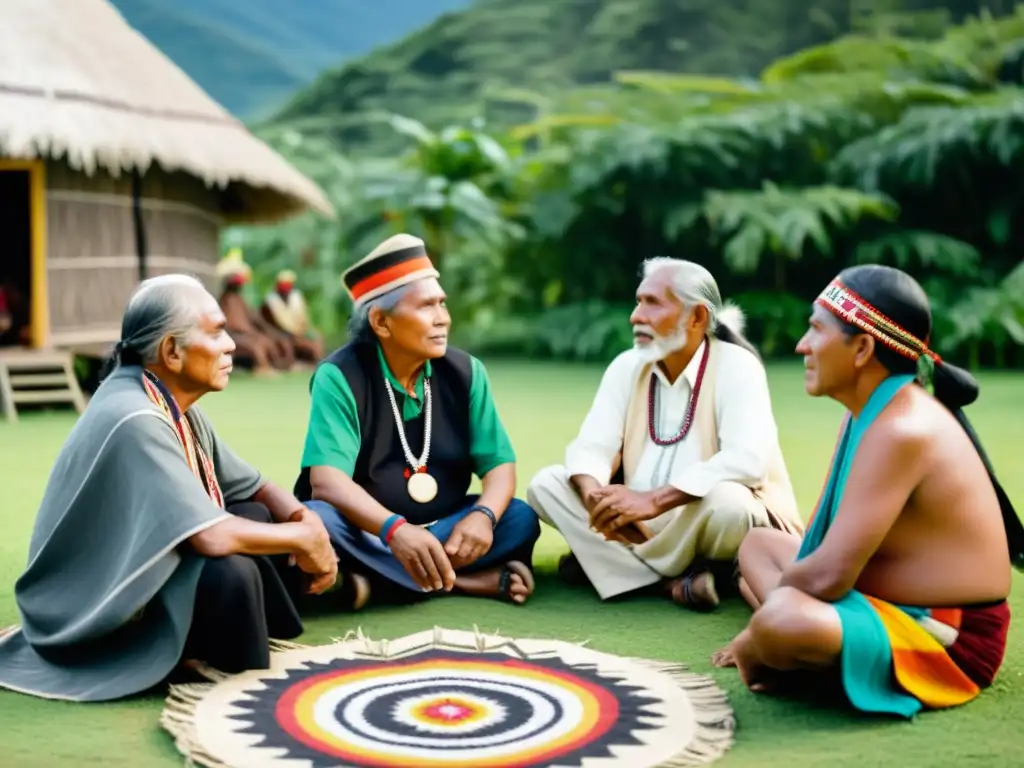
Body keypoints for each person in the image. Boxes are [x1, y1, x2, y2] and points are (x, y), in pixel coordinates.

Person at [0, 274, 339, 702]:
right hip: (88, 602)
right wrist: (304, 537)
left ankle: (209, 641)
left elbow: (256, 488)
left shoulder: (168, 401)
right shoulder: (135, 417)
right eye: (216, 333)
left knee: (257, 518)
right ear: (171, 351)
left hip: (131, 567)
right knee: (228, 571)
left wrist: (304, 521)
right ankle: (182, 651)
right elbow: (212, 536)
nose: (232, 345)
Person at [714, 264, 1024, 718]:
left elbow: (827, 576)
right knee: (759, 544)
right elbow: (823, 556)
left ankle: (800, 645)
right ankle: (812, 641)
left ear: (861, 348)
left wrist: (759, 632)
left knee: (782, 622)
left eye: (815, 330)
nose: (802, 345)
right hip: (879, 597)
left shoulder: (902, 428)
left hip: (949, 637)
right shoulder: (870, 409)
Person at [528, 258, 803, 612]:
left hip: (697, 517)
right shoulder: (627, 366)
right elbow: (592, 446)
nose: (635, 316)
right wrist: (596, 497)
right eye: (638, 301)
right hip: (633, 520)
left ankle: (617, 567)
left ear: (697, 317)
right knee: (545, 485)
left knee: (731, 506)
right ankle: (676, 580)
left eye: (652, 303)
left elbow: (746, 462)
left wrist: (654, 501)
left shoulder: (738, 367)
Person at [295, 233, 541, 607]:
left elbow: (500, 465)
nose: (443, 318)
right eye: (427, 307)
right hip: (370, 532)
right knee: (316, 521)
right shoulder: (340, 375)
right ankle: (465, 582)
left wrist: (484, 517)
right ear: (381, 322)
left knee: (519, 517)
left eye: (442, 304)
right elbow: (327, 483)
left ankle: (370, 585)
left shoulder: (466, 372)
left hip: (445, 524)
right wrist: (395, 531)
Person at [217, 249, 294, 375]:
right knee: (257, 345)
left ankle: (280, 366)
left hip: (248, 335)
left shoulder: (240, 300)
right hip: (235, 336)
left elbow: (254, 318)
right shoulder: (227, 300)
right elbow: (233, 325)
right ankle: (261, 368)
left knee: (269, 341)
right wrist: (249, 333)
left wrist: (269, 332)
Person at [261, 269, 324, 362]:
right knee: (287, 343)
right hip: (281, 334)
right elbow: (275, 323)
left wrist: (306, 331)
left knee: (316, 338)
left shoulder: (296, 297)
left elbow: (304, 318)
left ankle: (317, 359)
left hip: (299, 331)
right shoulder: (271, 301)